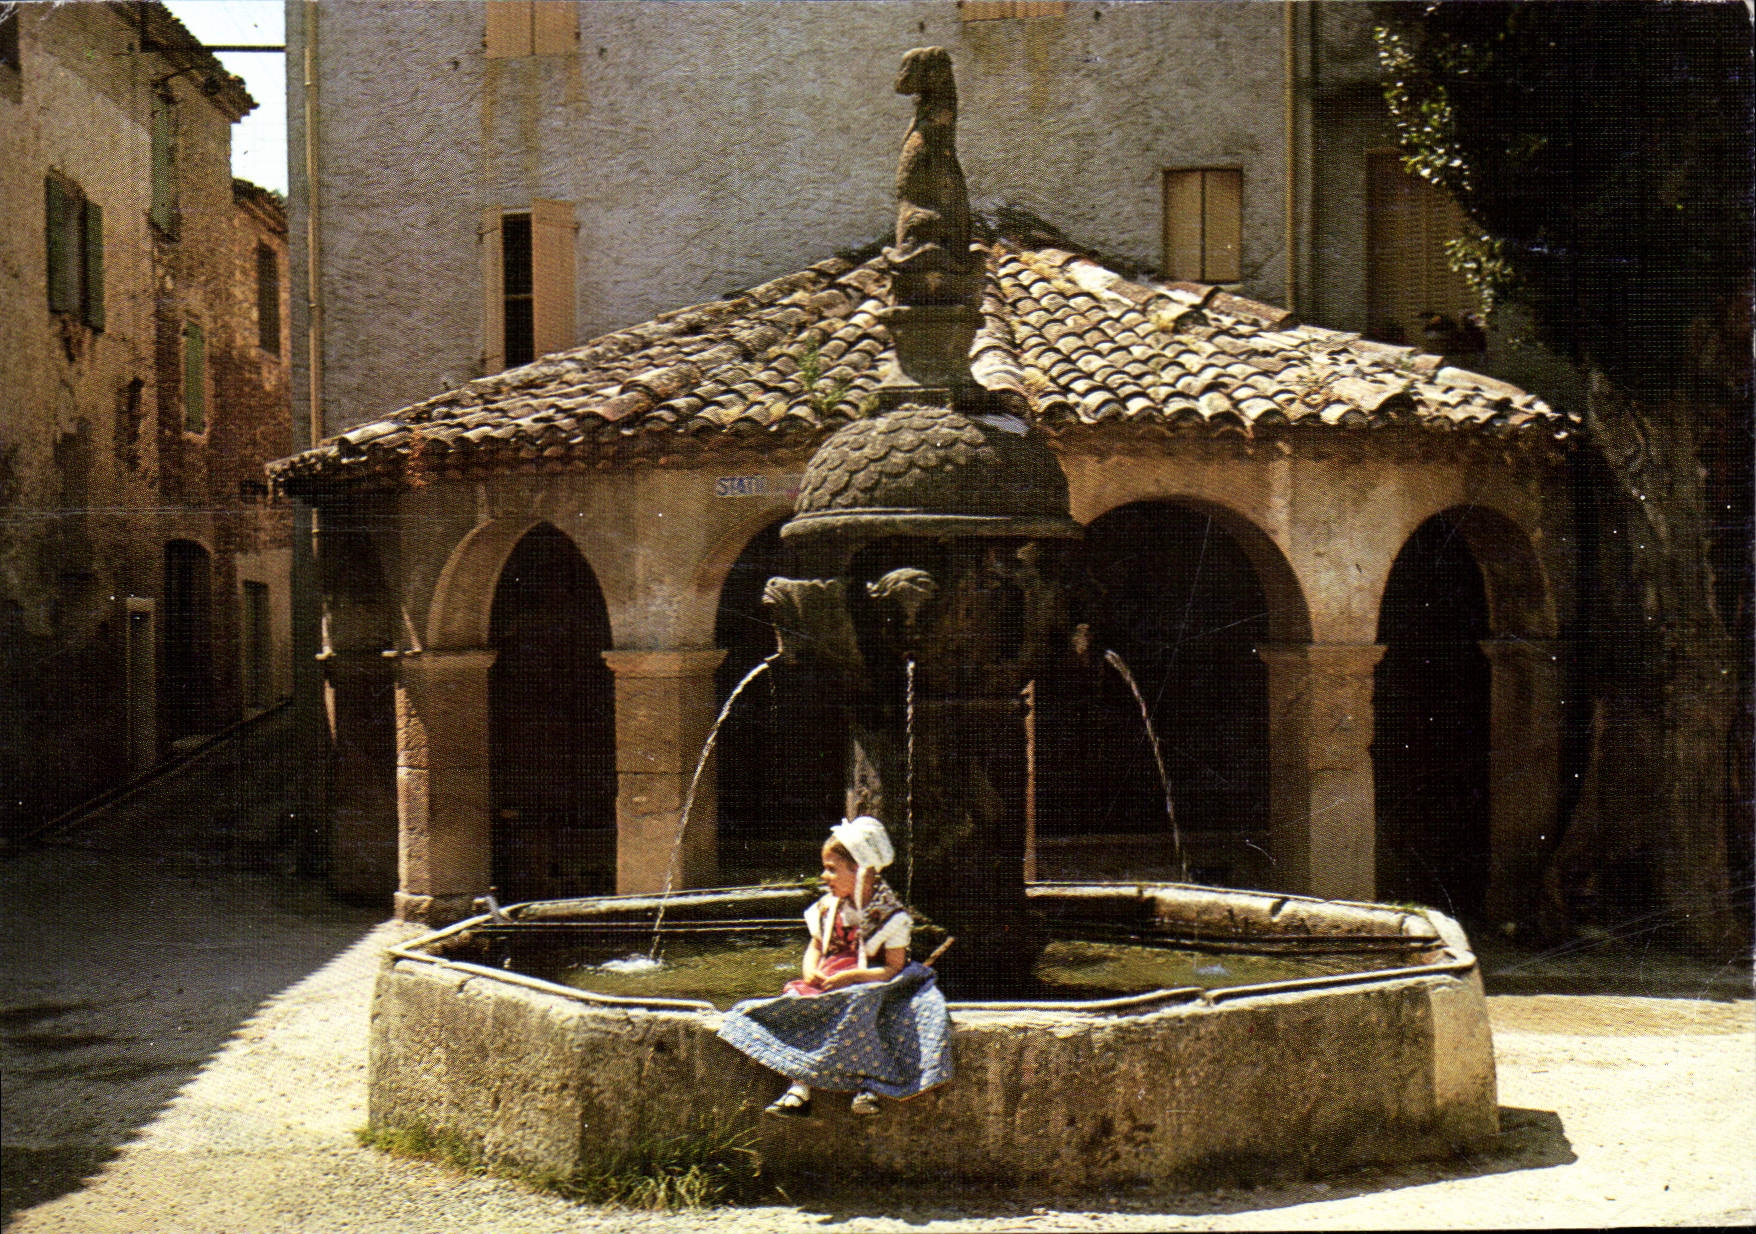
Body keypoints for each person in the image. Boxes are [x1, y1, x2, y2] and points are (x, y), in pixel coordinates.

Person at [716, 815, 952, 1119]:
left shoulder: (890, 917)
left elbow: (893, 968)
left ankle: (867, 1086)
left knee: (865, 1010)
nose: (824, 877)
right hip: (828, 981)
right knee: (799, 1006)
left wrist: (854, 976)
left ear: (863, 872)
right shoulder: (829, 908)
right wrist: (810, 969)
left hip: (869, 982)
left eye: (832, 869)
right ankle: (799, 1087)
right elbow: (816, 945)